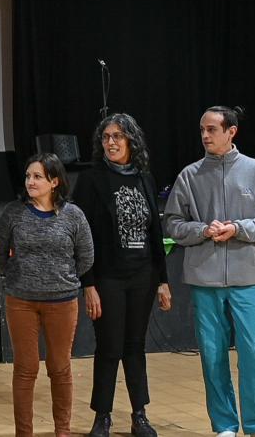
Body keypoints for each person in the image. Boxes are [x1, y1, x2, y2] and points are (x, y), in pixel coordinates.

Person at [164, 106, 255, 437]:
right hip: (204, 280)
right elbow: (173, 223)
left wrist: (238, 228)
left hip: (247, 279)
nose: (205, 136)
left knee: (253, 351)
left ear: (231, 131)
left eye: (211, 129)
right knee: (212, 354)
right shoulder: (189, 176)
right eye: (202, 130)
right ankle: (224, 424)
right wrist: (203, 230)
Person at [71, 113, 172, 437]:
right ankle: (102, 416)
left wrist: (162, 280)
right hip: (107, 277)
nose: (111, 142)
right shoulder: (91, 180)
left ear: (131, 140)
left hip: (142, 274)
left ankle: (139, 414)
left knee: (135, 345)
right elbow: (81, 236)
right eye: (106, 137)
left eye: (118, 136)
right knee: (109, 346)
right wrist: (88, 284)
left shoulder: (144, 177)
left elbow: (155, 232)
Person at [0, 153, 94, 437]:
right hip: (21, 301)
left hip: (61, 302)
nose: (30, 181)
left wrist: (64, 279)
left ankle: (63, 430)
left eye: (37, 176)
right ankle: (23, 432)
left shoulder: (74, 216)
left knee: (60, 368)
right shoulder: (14, 213)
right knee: (25, 370)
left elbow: (86, 257)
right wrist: (15, 276)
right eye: (27, 176)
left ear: (54, 181)